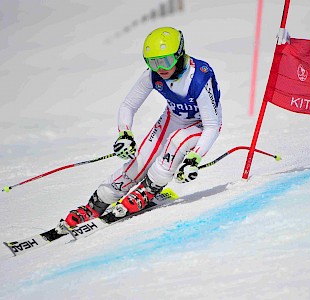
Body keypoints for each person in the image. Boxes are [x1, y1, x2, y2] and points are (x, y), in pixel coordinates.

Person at [56, 26, 222, 232]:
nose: (160, 68)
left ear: (179, 54)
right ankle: (97, 203)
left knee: (176, 143)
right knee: (139, 161)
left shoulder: (199, 76)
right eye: (152, 62)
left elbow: (212, 125)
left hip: (200, 125)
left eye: (165, 61)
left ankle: (149, 188)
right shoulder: (153, 75)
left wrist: (194, 158)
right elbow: (128, 105)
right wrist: (125, 133)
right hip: (173, 118)